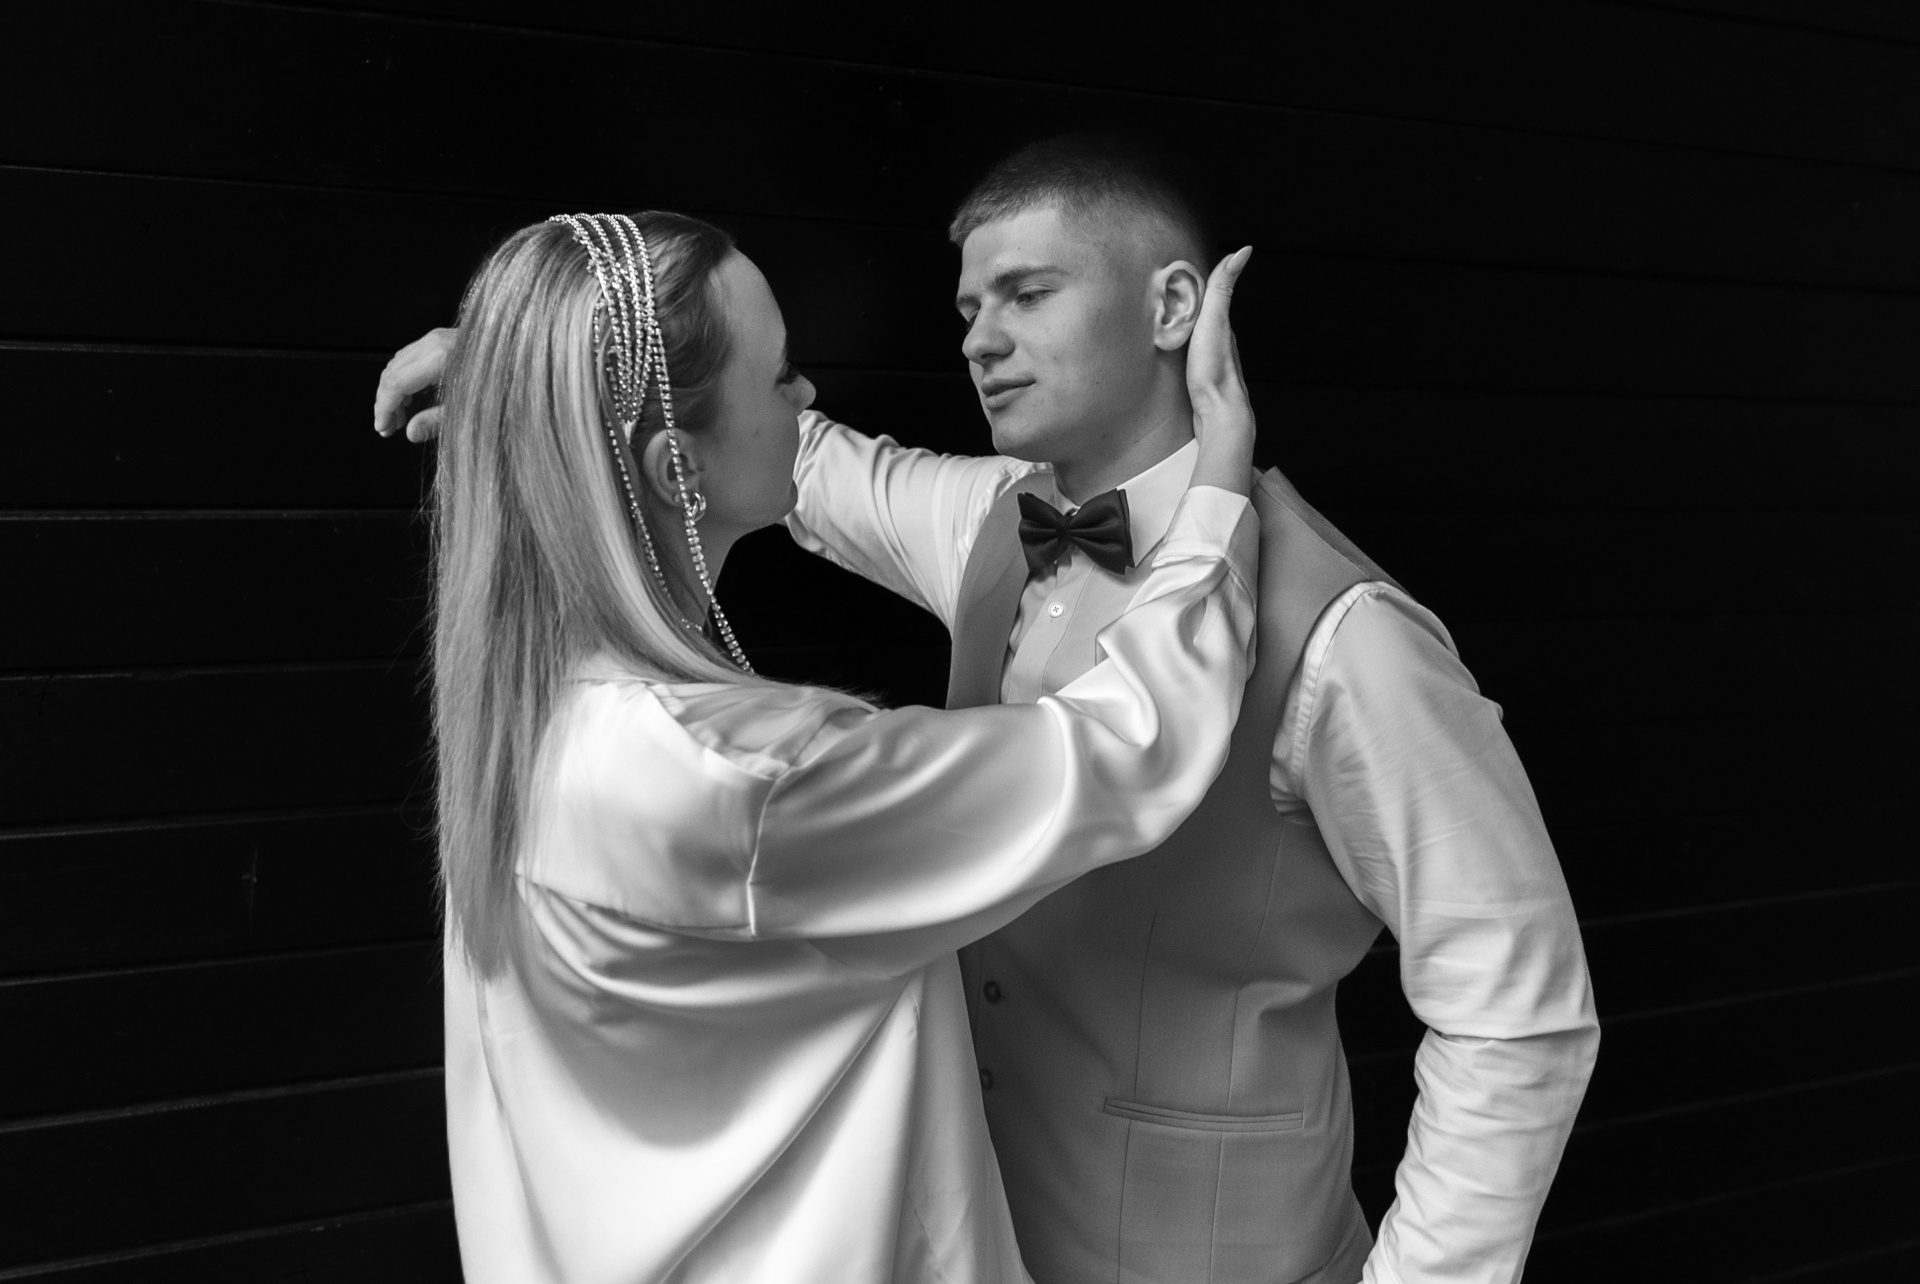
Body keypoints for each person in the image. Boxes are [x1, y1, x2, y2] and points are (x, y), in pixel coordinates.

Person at [380, 135, 1600, 1284]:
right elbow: (747, 453)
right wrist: (549, 380)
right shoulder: (979, 526)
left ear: (1174, 307)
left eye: (1026, 294)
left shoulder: (1350, 634)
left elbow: (1518, 1010)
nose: (979, 340)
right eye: (968, 308)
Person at [405, 208, 1261, 1284]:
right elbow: (1128, 746)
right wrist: (1219, 483)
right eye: (781, 378)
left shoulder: (526, 711)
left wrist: (540, 388)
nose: (808, 400)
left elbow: (777, 456)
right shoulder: (747, 779)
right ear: (676, 470)